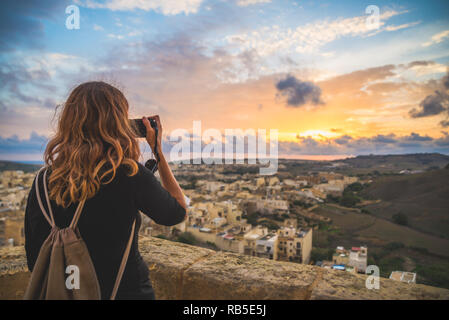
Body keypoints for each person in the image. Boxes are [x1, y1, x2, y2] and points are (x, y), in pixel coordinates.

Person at [24, 81, 187, 300]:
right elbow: (176, 212)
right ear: (119, 124)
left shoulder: (43, 180)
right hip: (124, 292)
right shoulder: (128, 174)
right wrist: (157, 150)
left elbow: (34, 256)